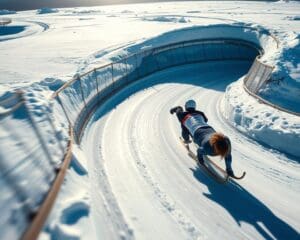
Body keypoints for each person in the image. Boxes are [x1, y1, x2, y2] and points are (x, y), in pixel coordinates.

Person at [170, 99, 234, 176]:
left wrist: (200, 159)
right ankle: (229, 169)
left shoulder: (183, 115)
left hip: (199, 132)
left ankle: (186, 139)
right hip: (208, 129)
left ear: (186, 107)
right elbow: (206, 120)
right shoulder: (225, 141)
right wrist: (229, 169)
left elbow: (199, 150)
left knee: (184, 127)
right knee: (185, 126)